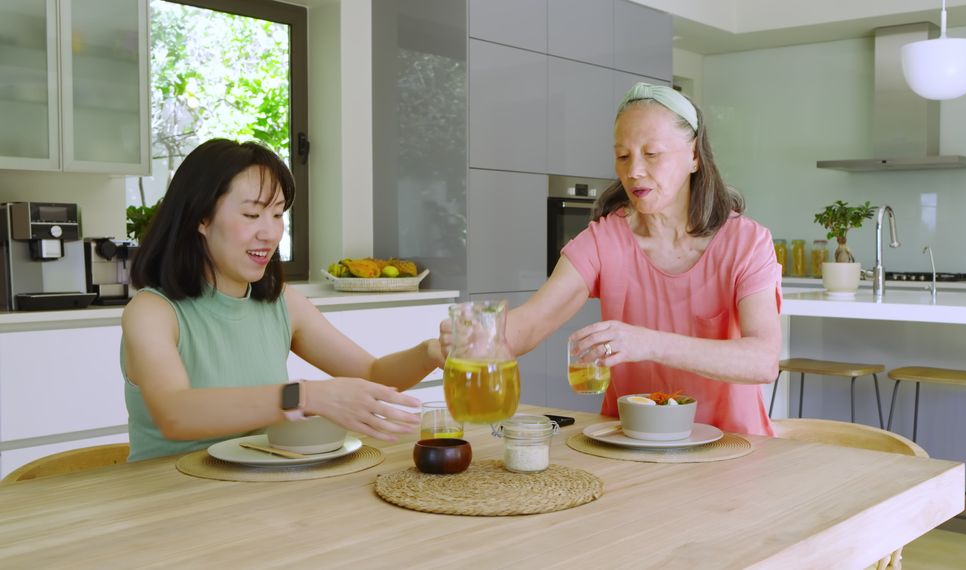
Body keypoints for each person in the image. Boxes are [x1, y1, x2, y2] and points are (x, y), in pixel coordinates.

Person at [444, 83, 781, 436]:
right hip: (631, 446)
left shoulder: (747, 243)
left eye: (652, 154)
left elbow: (762, 360)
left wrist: (647, 342)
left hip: (734, 451)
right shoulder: (604, 240)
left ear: (694, 155)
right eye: (623, 156)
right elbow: (531, 323)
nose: (633, 170)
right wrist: (471, 338)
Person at [122, 139, 441, 461]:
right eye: (252, 214)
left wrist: (429, 353)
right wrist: (302, 396)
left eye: (277, 214)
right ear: (200, 218)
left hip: (256, 490)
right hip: (168, 497)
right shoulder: (153, 311)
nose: (270, 233)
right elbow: (176, 413)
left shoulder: (281, 302)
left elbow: (371, 374)